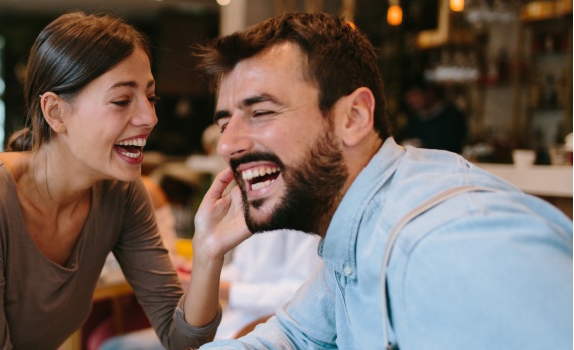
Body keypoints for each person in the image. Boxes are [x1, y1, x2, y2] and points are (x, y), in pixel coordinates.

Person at [190, 12, 572, 349]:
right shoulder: (357, 229)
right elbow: (293, 337)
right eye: (225, 123)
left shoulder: (453, 245)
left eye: (260, 112)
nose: (227, 143)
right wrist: (208, 251)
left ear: (354, 117)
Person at [0, 12, 223, 349]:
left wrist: (208, 252)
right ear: (56, 112)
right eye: (122, 100)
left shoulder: (121, 194)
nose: (150, 118)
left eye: (150, 97)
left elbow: (183, 342)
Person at [100, 229, 322, 349]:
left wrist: (229, 291)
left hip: (254, 328)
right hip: (228, 324)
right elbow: (242, 268)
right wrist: (203, 277)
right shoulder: (256, 207)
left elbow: (299, 293)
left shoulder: (303, 222)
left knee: (115, 346)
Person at [400, 79, 468, 154]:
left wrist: (422, 146)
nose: (412, 100)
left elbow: (452, 145)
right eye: (408, 96)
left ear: (429, 92)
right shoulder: (414, 119)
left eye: (415, 94)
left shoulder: (451, 115)